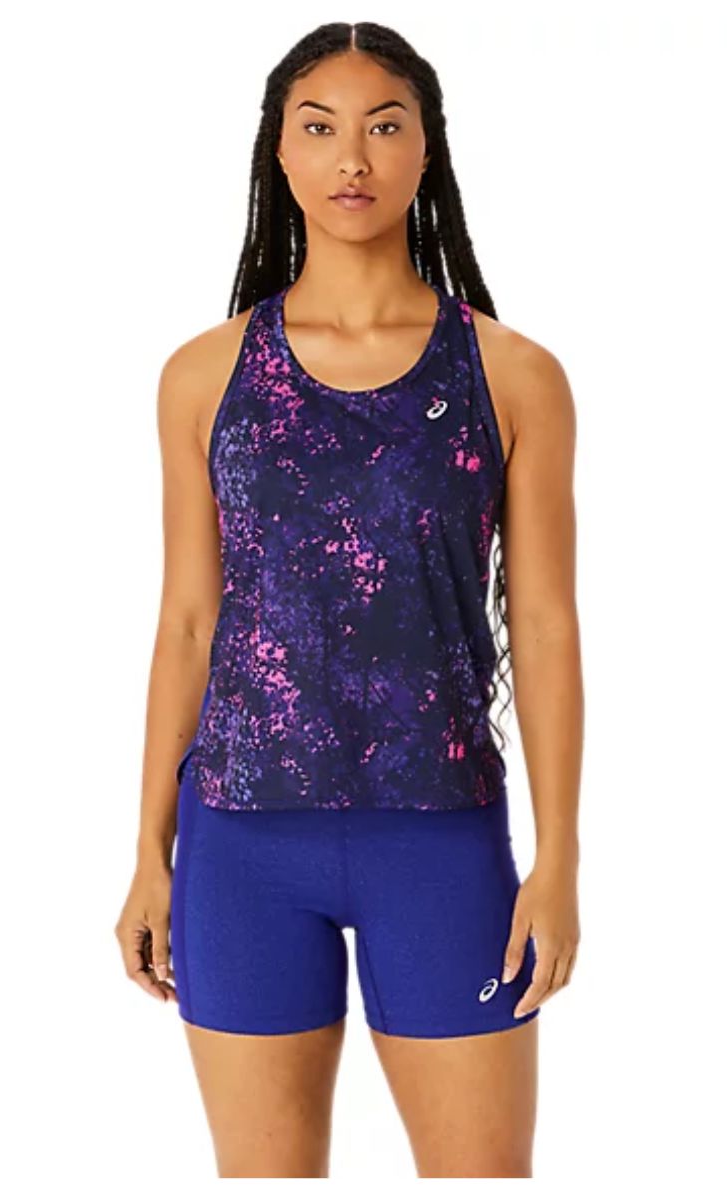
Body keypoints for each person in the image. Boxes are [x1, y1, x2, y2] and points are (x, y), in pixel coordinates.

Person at [115, 22, 582, 1179]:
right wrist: (148, 851)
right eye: (320, 128)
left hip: (441, 840)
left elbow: (546, 626)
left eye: (384, 126)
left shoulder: (511, 374)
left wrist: (560, 857)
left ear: (428, 148)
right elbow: (187, 621)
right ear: (280, 152)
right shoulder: (205, 374)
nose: (353, 158)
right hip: (239, 848)